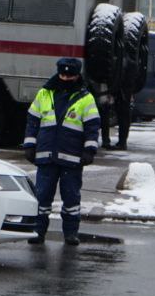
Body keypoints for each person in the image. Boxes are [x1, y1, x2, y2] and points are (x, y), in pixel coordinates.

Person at [23, 57, 101, 246]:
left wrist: (90, 150)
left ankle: (71, 233)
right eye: (63, 74)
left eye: (70, 75)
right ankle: (38, 232)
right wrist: (29, 145)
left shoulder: (85, 97)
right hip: (46, 156)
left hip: (72, 158)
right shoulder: (44, 94)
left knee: (71, 198)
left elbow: (92, 125)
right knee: (42, 198)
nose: (66, 78)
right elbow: (32, 121)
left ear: (77, 75)